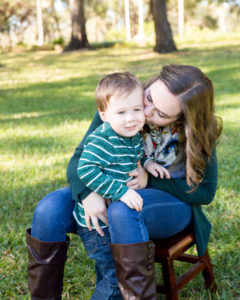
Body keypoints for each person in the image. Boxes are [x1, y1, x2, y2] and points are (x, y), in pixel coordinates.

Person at [26, 64, 222, 300]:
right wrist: (88, 194)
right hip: (113, 185)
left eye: (161, 114)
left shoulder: (198, 132)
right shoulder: (124, 103)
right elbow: (80, 159)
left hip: (172, 205)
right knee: (49, 208)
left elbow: (206, 192)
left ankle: (126, 293)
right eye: (148, 98)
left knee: (123, 208)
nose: (146, 112)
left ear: (182, 119)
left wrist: (149, 180)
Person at [74, 72, 145, 230]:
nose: (131, 118)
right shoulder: (103, 139)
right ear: (104, 115)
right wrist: (122, 192)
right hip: (98, 222)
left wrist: (149, 164)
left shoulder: (133, 134)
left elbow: (138, 156)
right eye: (121, 112)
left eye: (137, 109)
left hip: (118, 214)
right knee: (109, 254)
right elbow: (85, 169)